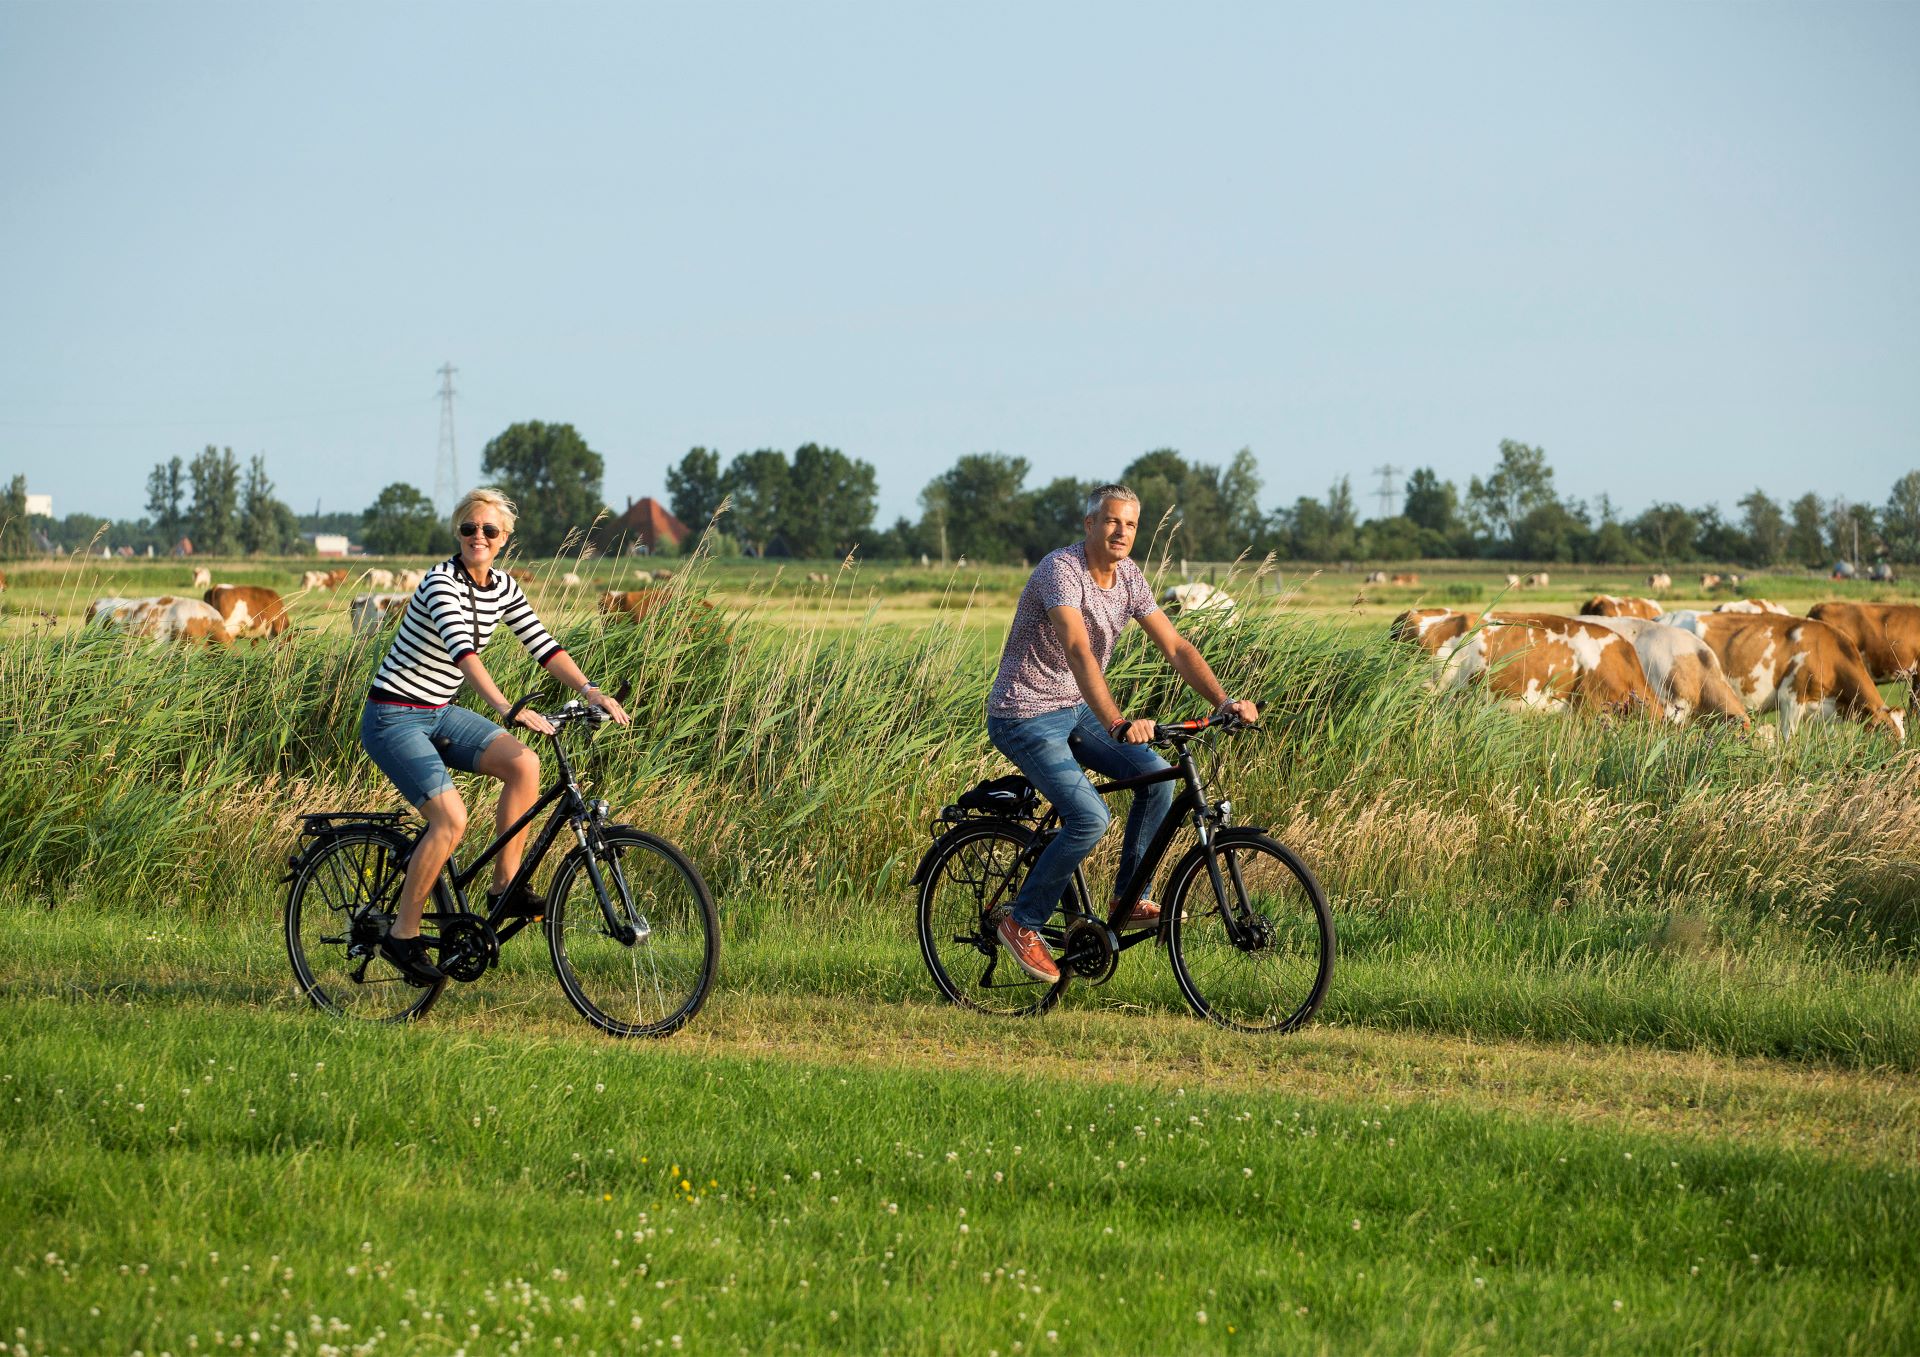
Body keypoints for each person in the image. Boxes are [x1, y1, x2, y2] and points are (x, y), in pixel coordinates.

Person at [985, 484, 1259, 983]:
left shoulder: (1129, 577)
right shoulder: (1060, 571)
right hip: (1023, 712)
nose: (1121, 532)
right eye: (1112, 521)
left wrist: (1223, 702)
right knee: (1089, 818)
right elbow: (1077, 648)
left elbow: (1175, 645)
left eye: (1130, 524)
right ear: (1089, 524)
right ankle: (1022, 922)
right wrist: (1116, 721)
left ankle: (1127, 895)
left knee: (1158, 777)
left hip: (1072, 708)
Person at [359, 487, 630, 983]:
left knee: (525, 765)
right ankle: (402, 934)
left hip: (438, 711)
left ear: (504, 540)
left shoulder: (503, 587)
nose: (477, 537)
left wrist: (592, 691)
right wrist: (507, 707)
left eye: (489, 530)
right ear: (458, 533)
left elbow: (543, 645)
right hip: (392, 715)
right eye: (469, 528)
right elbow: (464, 652)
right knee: (450, 820)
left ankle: (503, 888)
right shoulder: (441, 583)